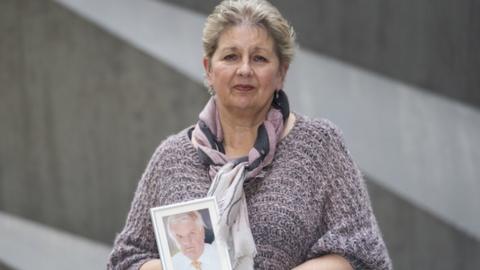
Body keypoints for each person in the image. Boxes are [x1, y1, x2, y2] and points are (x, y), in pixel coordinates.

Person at [107, 0, 392, 269]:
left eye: (259, 58)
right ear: (208, 69)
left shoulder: (319, 147)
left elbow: (365, 255)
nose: (244, 69)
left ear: (281, 72)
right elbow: (125, 258)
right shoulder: (171, 158)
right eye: (231, 56)